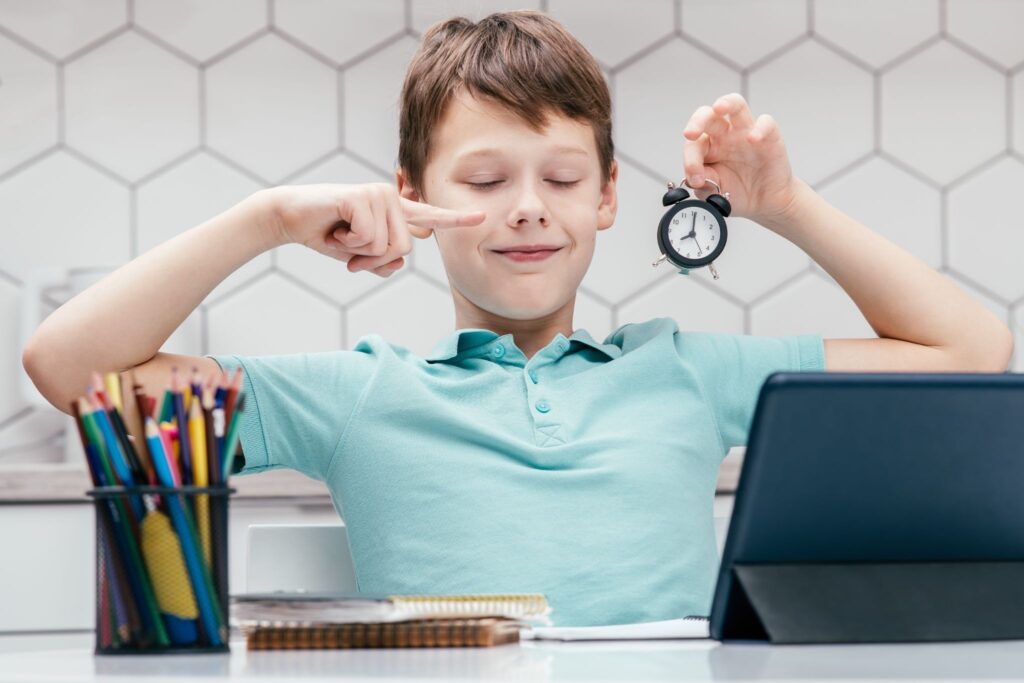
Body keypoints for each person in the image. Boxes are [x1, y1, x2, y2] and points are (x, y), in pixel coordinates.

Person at [22, 10, 1013, 626]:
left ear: (609, 196)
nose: (529, 205)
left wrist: (787, 205)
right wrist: (266, 219)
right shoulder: (358, 392)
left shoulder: (686, 368)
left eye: (562, 177)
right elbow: (68, 366)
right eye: (486, 179)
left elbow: (970, 352)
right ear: (411, 193)